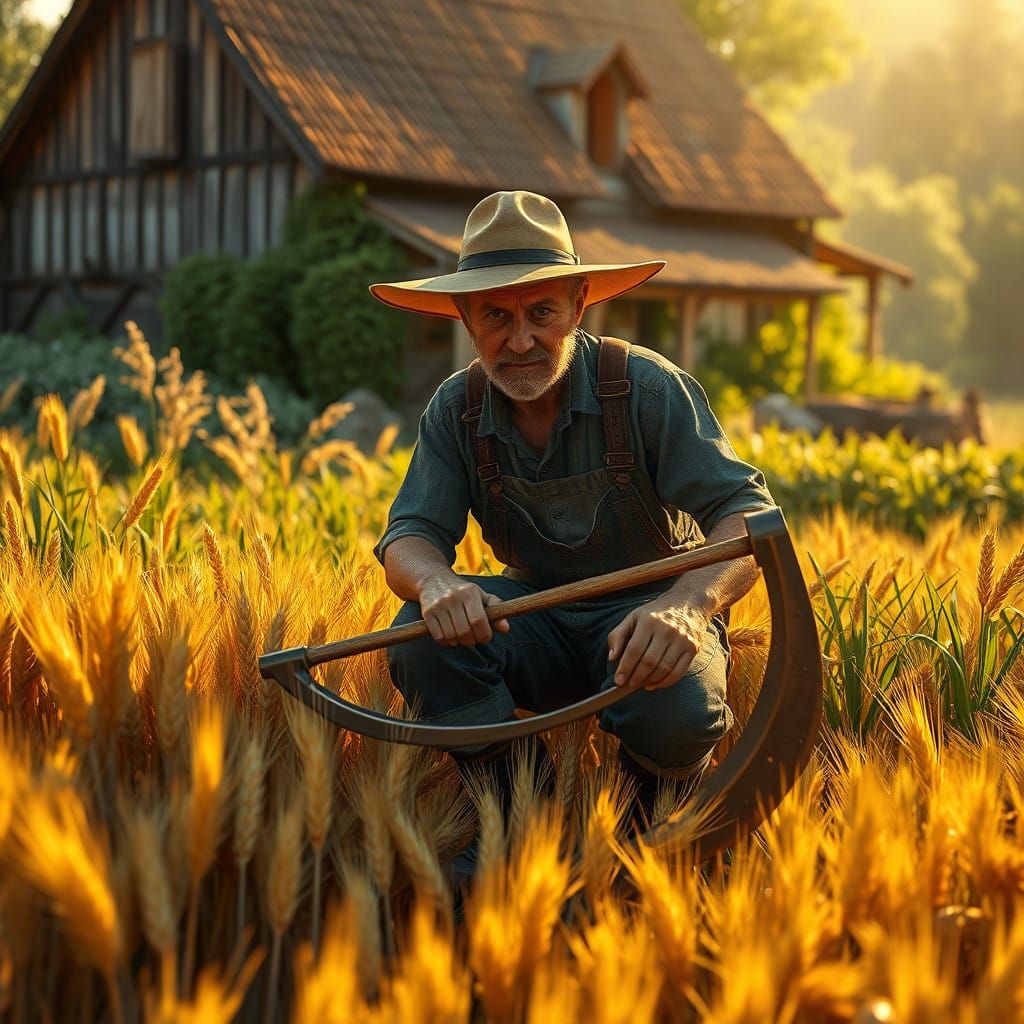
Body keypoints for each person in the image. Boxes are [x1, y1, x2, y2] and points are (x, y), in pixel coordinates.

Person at [369, 190, 775, 883]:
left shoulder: (643, 388)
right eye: (496, 316)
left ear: (579, 306)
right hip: (537, 624)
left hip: (651, 620)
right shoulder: (456, 409)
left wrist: (689, 606)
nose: (520, 340)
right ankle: (519, 819)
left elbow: (748, 514)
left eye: (541, 313)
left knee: (676, 705)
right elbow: (409, 533)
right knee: (419, 641)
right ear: (466, 318)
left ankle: (652, 832)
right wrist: (438, 582)